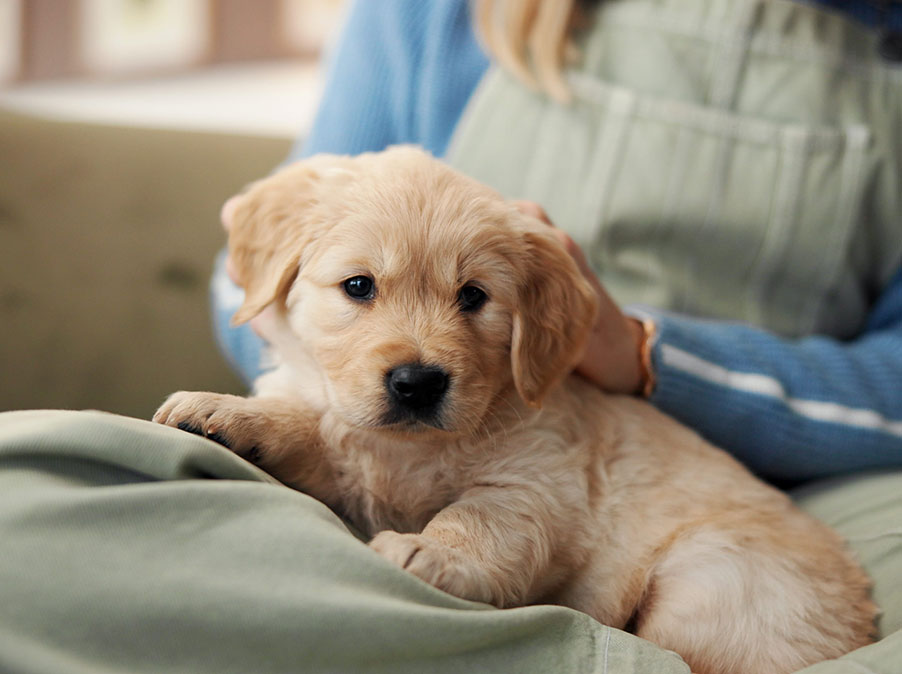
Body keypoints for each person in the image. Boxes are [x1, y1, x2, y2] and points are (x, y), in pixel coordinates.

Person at [2, 1, 901, 672]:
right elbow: (252, 266)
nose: (424, 353)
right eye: (363, 287)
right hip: (382, 495)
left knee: (747, 600)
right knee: (26, 503)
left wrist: (641, 355)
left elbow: (529, 506)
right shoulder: (428, 10)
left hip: (804, 490)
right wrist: (305, 413)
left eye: (474, 299)